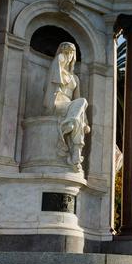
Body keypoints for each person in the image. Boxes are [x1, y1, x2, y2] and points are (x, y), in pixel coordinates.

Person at [44, 42, 90, 172]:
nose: (68, 54)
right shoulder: (56, 69)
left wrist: (85, 122)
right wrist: (61, 57)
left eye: (71, 52)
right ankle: (76, 149)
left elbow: (79, 100)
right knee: (79, 106)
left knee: (81, 105)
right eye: (66, 51)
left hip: (71, 107)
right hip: (56, 103)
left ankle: (76, 151)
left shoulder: (75, 78)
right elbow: (57, 64)